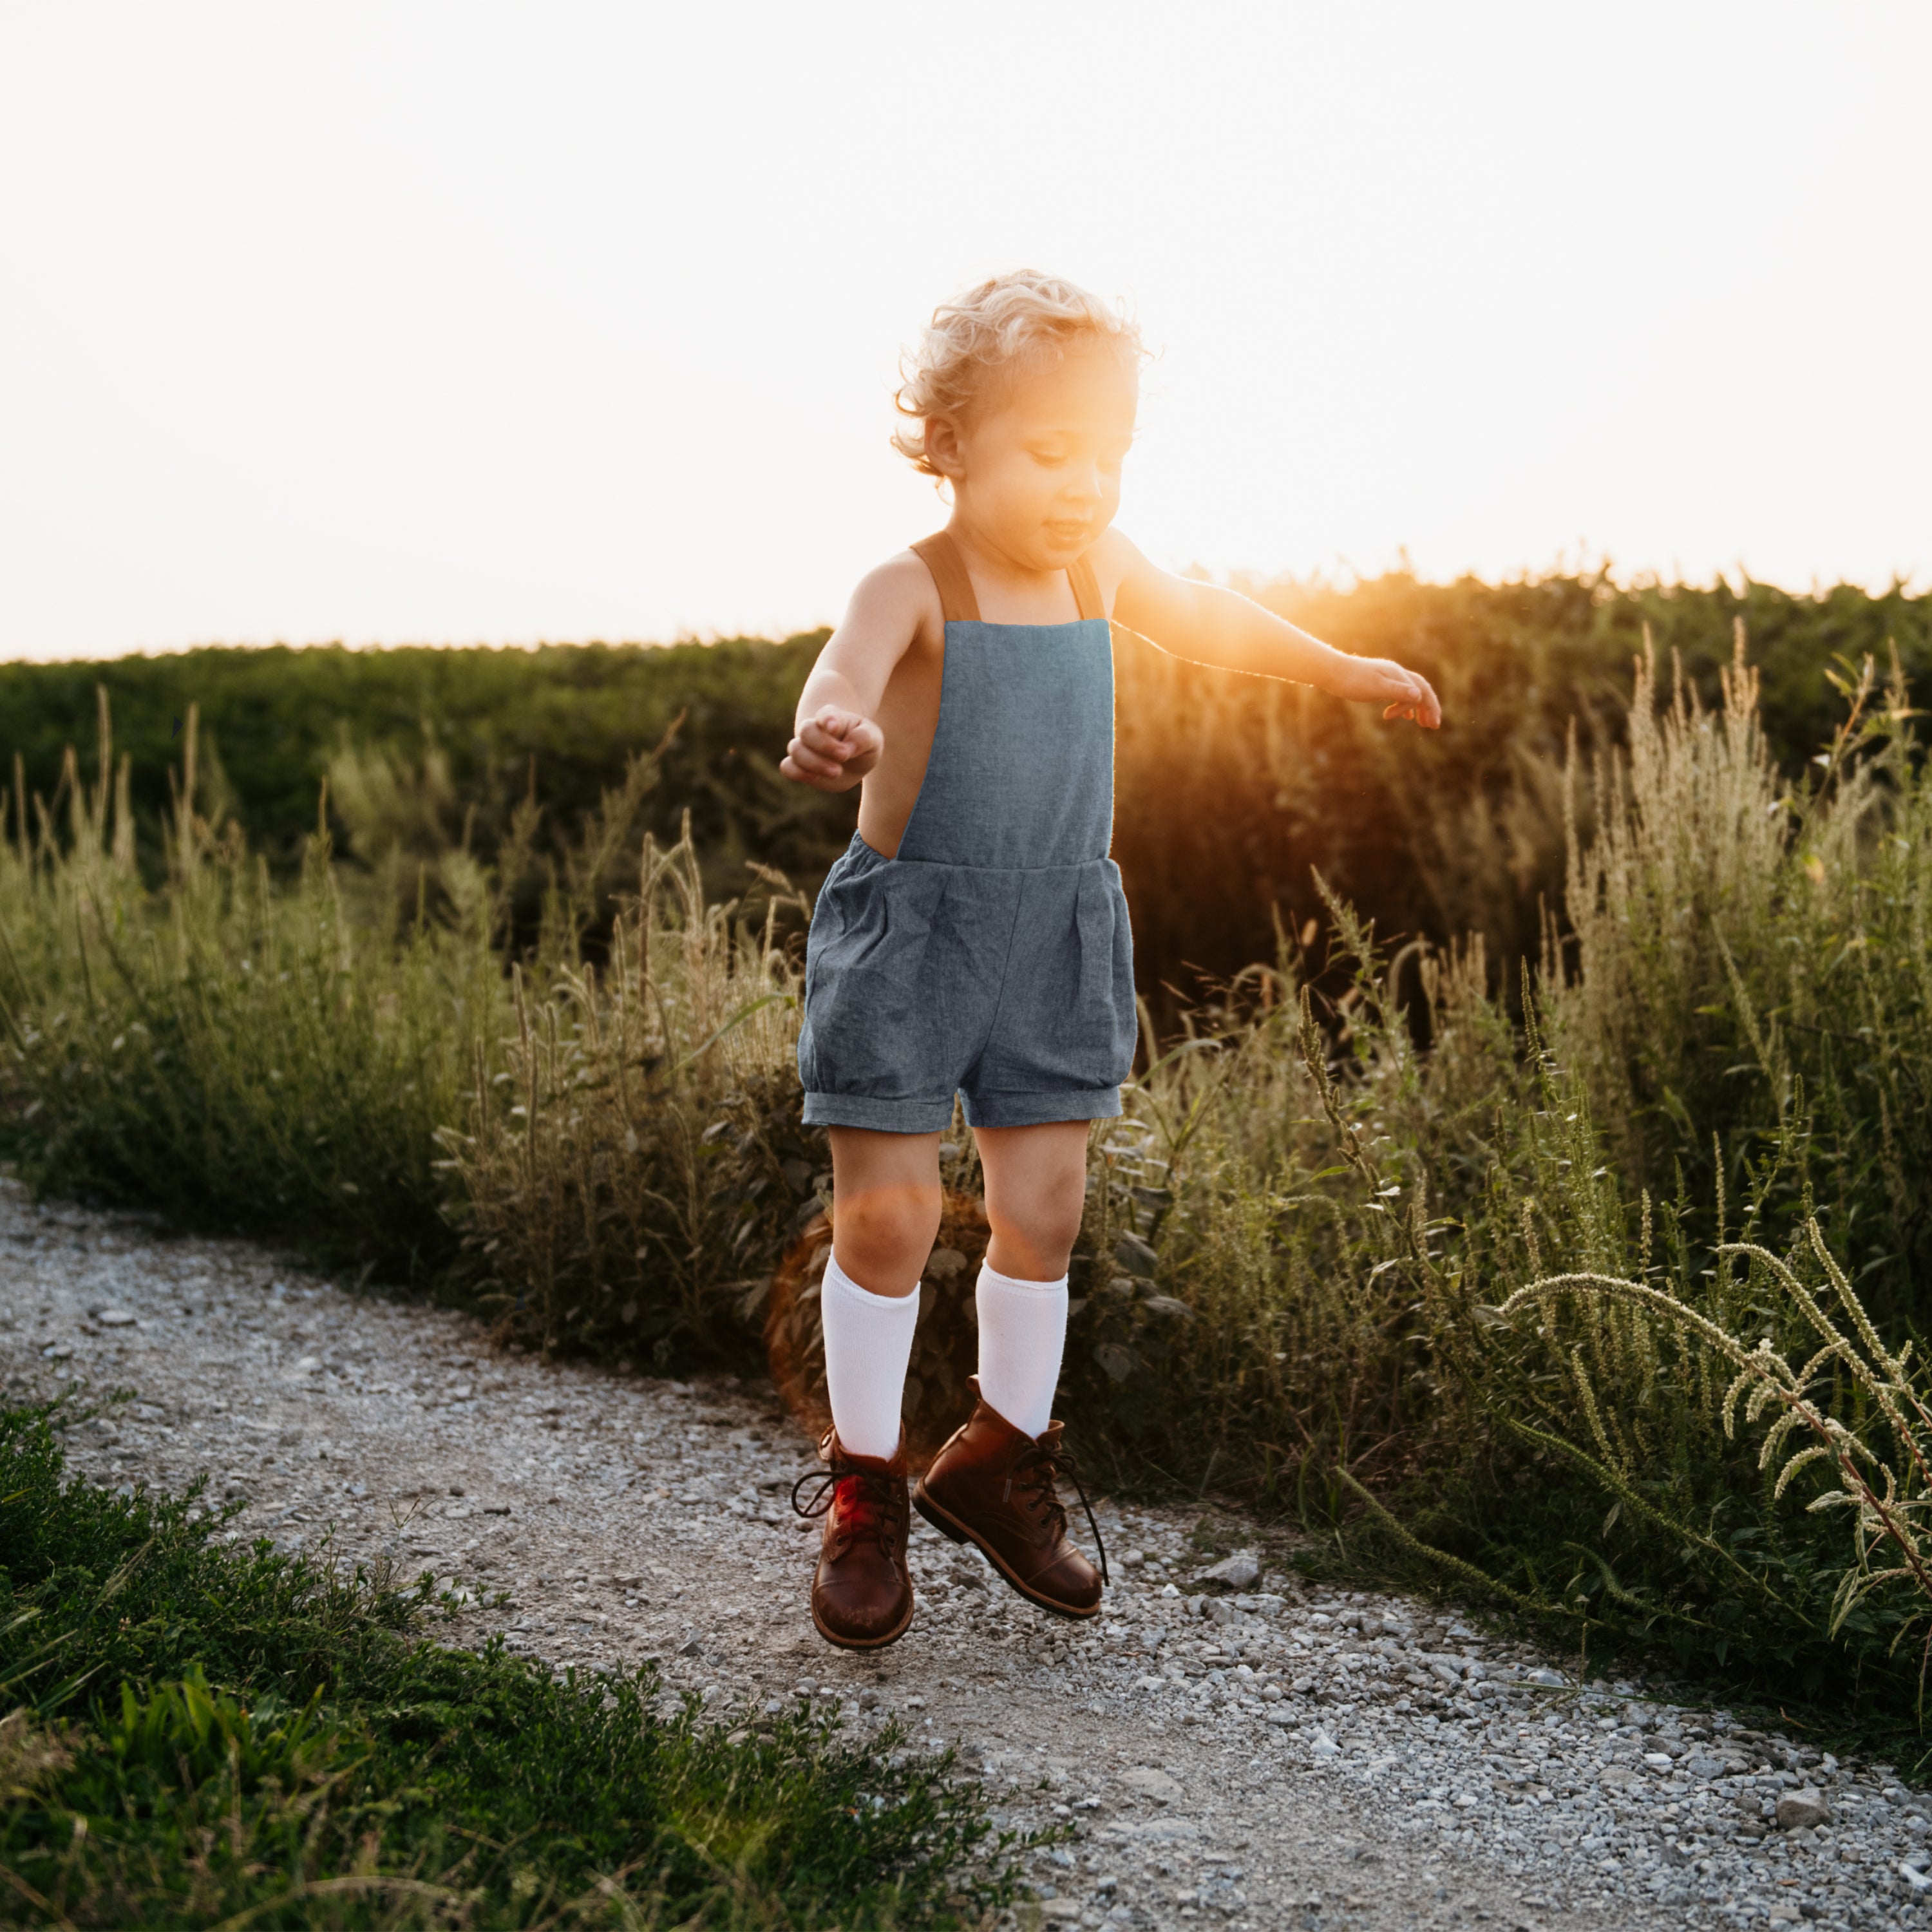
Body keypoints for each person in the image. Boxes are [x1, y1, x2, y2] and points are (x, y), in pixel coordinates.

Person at [778, 269, 1441, 1650]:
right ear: (953, 443)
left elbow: (1217, 617)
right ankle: (864, 1495)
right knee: (891, 1220)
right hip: (913, 931)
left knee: (1051, 1207)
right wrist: (832, 727)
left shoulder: (1103, 570)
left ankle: (999, 1458)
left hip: (1057, 926)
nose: (1088, 484)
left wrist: (1345, 668)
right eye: (1052, 450)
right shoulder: (914, 582)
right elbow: (844, 667)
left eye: (1113, 453)